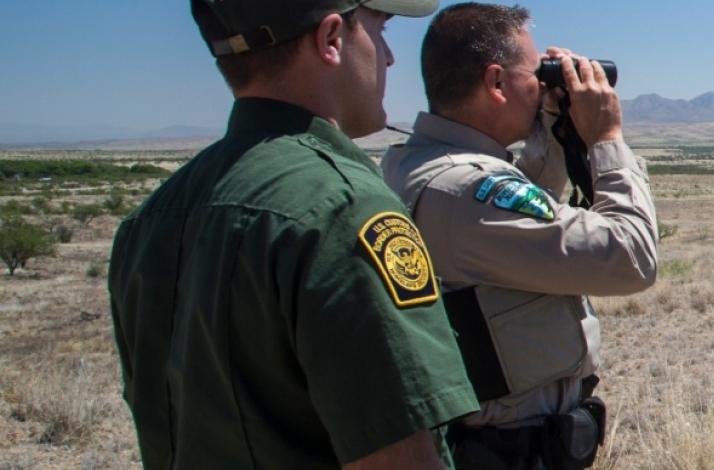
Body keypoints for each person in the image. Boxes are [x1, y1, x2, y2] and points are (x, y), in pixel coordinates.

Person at [107, 1, 480, 468]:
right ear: (330, 39)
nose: (388, 56)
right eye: (379, 29)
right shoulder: (344, 207)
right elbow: (397, 458)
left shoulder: (150, 217)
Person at [381, 3, 658, 468]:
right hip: (509, 450)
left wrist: (551, 132)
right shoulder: (463, 189)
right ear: (495, 83)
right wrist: (607, 138)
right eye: (536, 73)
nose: (544, 84)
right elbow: (630, 256)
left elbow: (526, 216)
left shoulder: (421, 166)